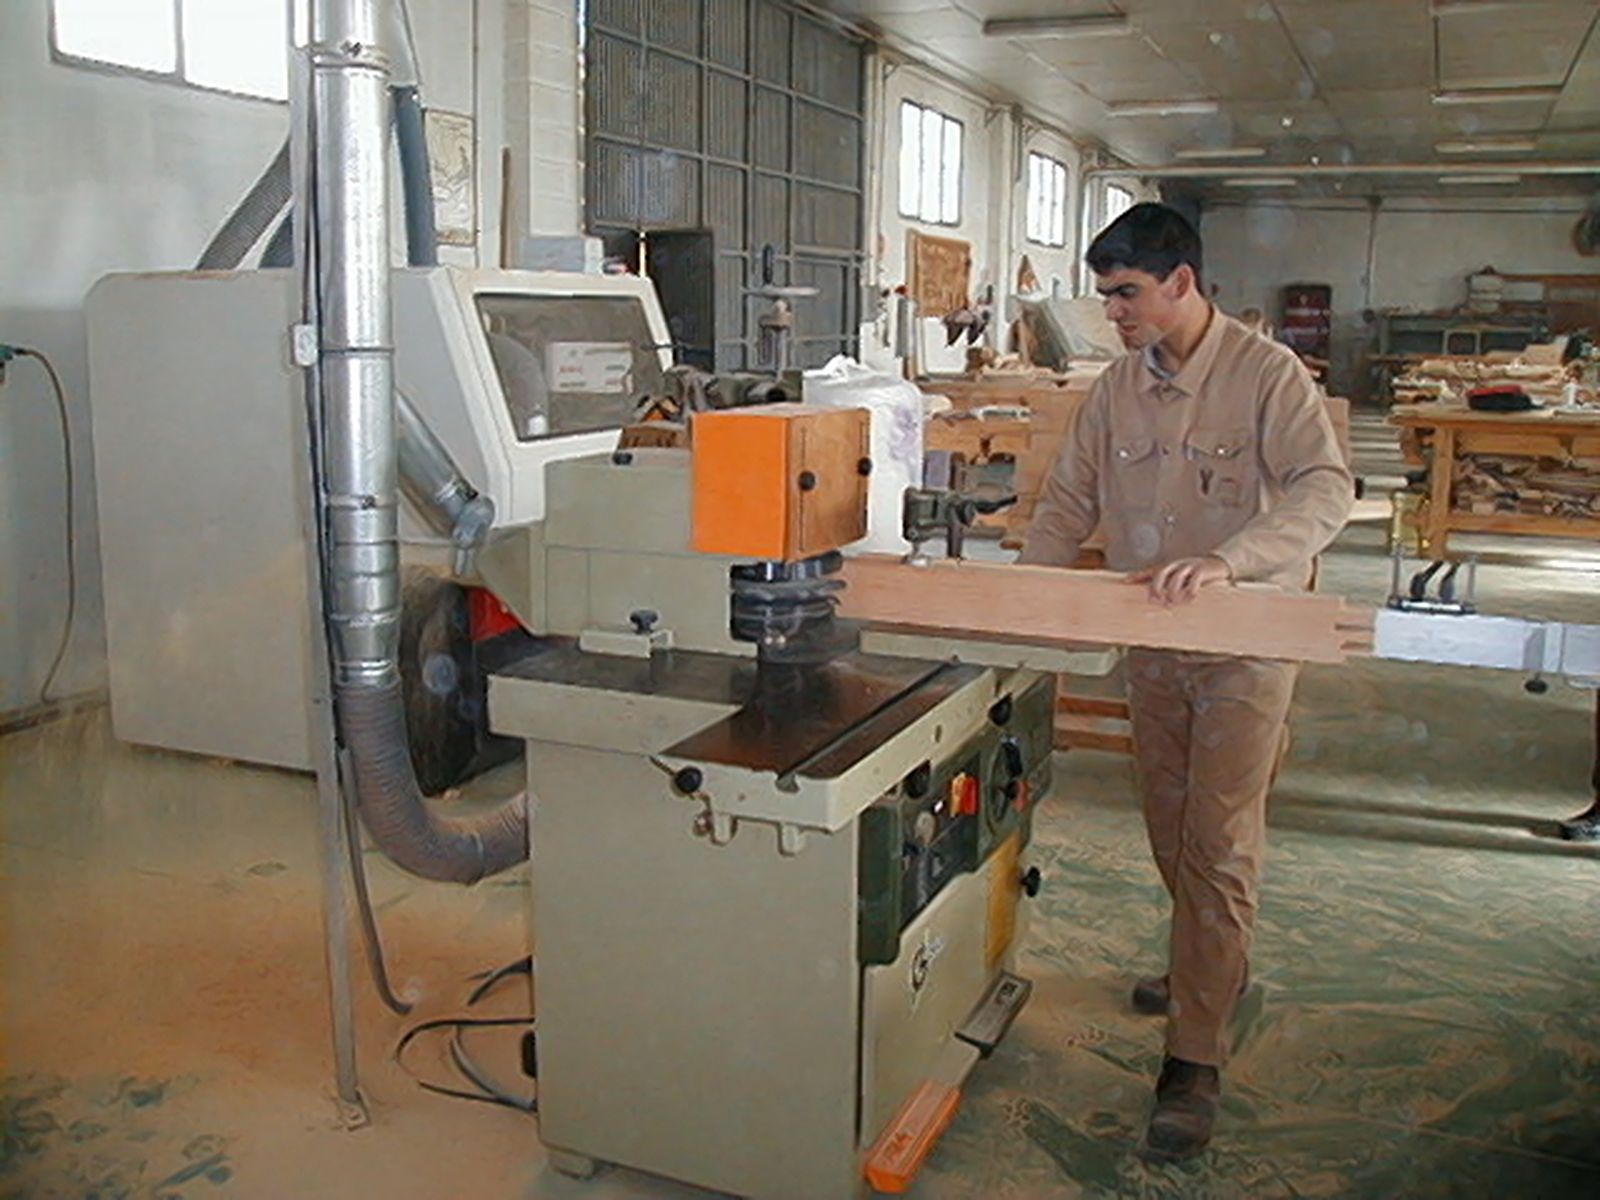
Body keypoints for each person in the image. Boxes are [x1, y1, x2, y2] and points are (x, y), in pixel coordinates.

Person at [1018, 203, 1353, 1160]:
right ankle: (1211, 960)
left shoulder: (1266, 375)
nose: (1114, 314)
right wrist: (1016, 609)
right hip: (1153, 645)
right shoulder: (1116, 389)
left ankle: (1194, 1055)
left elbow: (1325, 491)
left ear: (1181, 283)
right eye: (1107, 296)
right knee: (1168, 821)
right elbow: (1067, 502)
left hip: (1246, 644)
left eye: (1127, 294)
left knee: (1217, 839)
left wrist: (1235, 559)